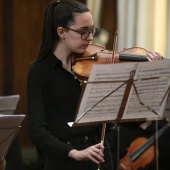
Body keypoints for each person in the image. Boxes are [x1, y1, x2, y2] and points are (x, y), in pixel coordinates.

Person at [27, 0, 163, 170]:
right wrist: (74, 152)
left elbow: (124, 119)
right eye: (83, 32)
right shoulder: (40, 72)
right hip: (65, 162)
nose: (91, 38)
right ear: (61, 32)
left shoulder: (98, 66)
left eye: (92, 31)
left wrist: (151, 76)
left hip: (101, 157)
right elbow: (37, 131)